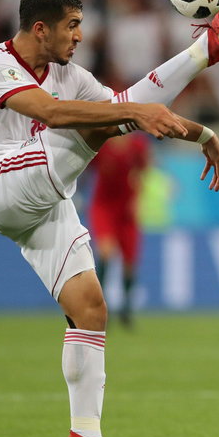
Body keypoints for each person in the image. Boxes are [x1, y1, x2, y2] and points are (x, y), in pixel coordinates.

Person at [0, 0, 219, 437]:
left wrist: (202, 132)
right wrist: (131, 111)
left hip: (47, 198)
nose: (80, 36)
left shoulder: (70, 74)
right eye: (72, 26)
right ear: (39, 29)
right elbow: (52, 113)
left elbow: (125, 109)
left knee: (91, 307)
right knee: (90, 125)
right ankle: (206, 47)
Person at [87, 132, 150, 328]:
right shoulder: (101, 144)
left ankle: (126, 309)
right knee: (106, 253)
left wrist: (137, 198)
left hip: (127, 210)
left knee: (130, 262)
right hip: (104, 207)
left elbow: (142, 171)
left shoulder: (138, 145)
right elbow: (84, 168)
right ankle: (99, 308)